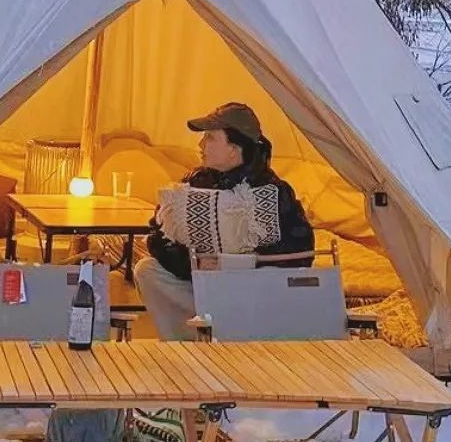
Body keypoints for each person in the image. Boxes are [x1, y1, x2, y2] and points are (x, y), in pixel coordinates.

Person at [134, 102, 315, 340]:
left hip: (249, 294)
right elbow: (158, 236)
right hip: (202, 286)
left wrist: (237, 263)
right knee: (147, 270)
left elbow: (300, 255)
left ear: (234, 147)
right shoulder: (197, 181)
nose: (200, 145)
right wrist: (193, 264)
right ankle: (189, 343)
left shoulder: (271, 192)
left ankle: (238, 338)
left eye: (209, 137)